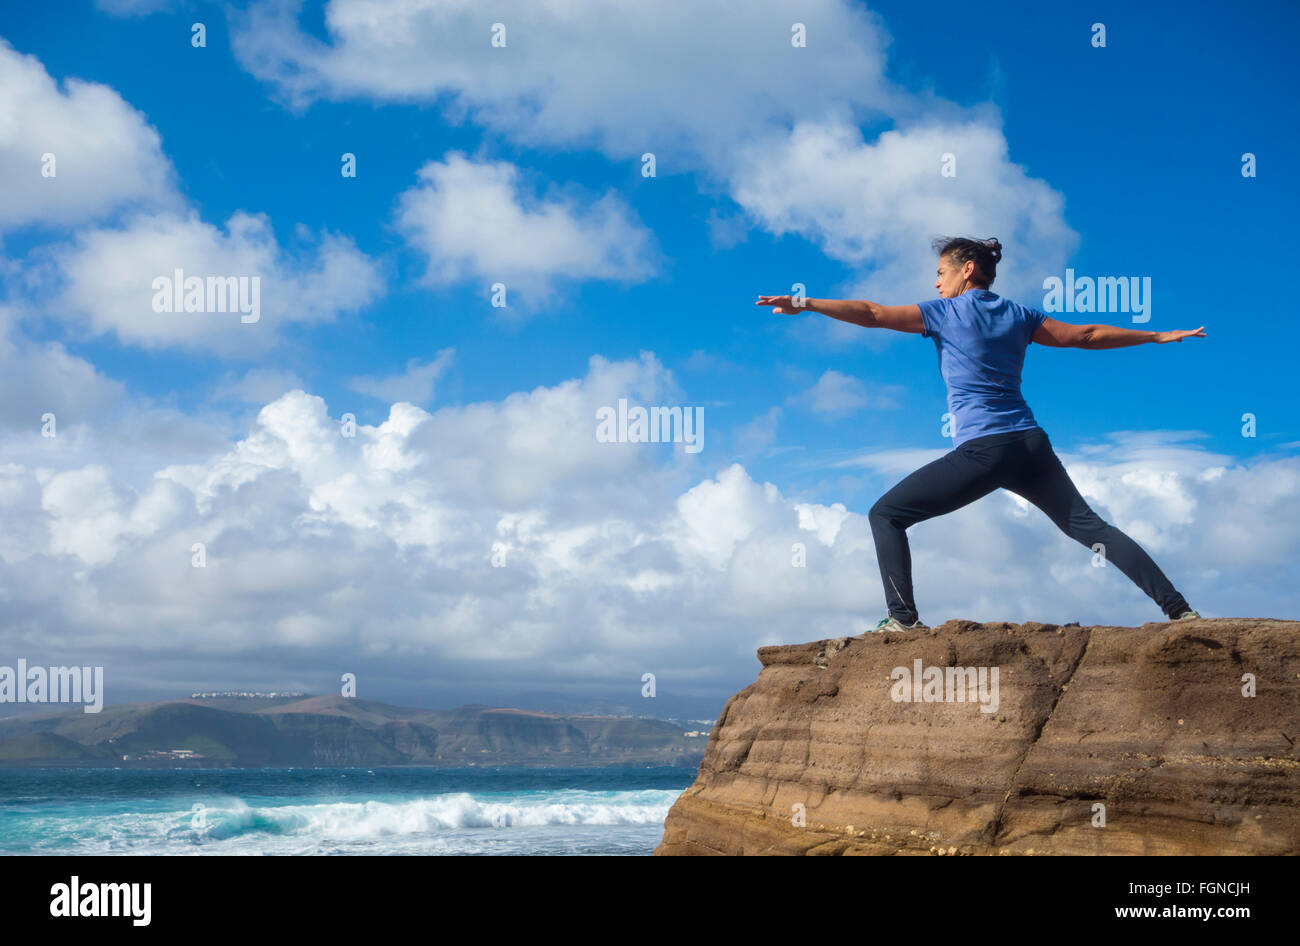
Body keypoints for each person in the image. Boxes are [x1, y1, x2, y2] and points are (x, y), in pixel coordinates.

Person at [756, 236, 1204, 632]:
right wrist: (1155, 336)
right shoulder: (1020, 314)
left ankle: (903, 620)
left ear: (966, 270)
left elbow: (874, 313)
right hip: (1030, 445)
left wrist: (808, 303)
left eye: (940, 273)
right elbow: (1084, 335)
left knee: (885, 515)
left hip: (985, 450)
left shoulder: (945, 312)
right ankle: (1179, 610)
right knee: (1092, 529)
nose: (935, 283)